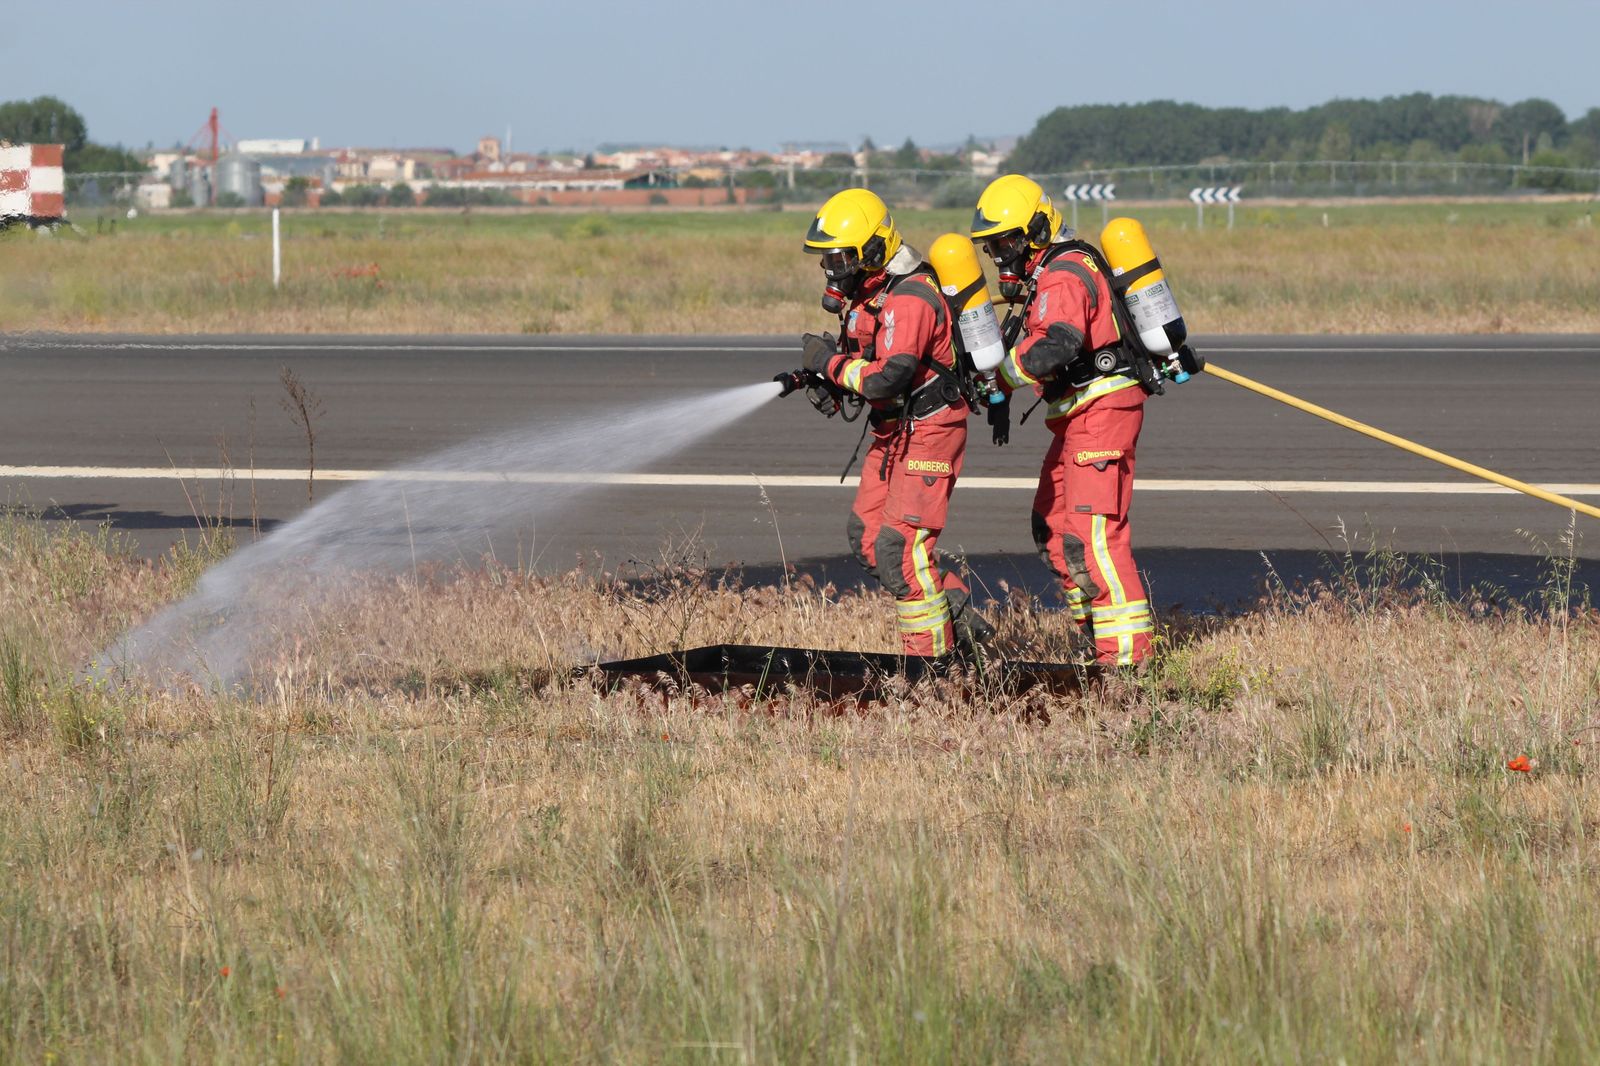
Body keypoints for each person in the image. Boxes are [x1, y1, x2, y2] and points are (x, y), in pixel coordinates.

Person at [800, 188, 991, 659]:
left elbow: (888, 377)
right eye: (826, 260)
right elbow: (870, 364)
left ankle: (930, 668)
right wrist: (829, 380)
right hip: (893, 430)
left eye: (839, 258)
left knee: (899, 551)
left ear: (871, 250)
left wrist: (827, 365)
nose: (832, 270)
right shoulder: (871, 295)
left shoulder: (909, 298)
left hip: (929, 430)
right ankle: (959, 617)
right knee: (868, 538)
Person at [970, 174, 1152, 667]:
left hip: (1101, 411)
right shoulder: (1049, 273)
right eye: (991, 247)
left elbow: (1059, 344)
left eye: (1005, 243)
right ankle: (1095, 638)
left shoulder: (1064, 273)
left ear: (1035, 230)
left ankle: (1127, 665)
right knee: (1052, 528)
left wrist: (1001, 378)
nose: (999, 256)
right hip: (1076, 412)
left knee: (1094, 539)